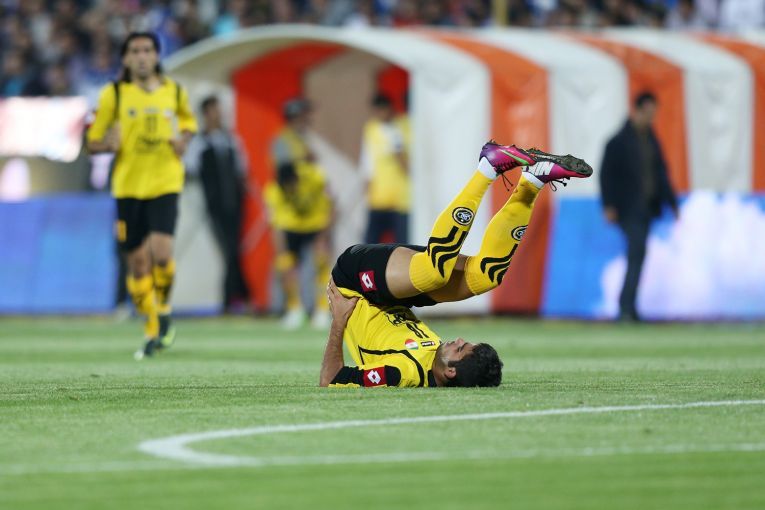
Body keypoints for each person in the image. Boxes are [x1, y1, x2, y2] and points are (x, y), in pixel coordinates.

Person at [319, 141, 592, 388]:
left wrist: (338, 322)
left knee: (435, 273)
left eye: (460, 349)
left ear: (450, 372)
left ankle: (487, 168)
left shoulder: (402, 373)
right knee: (487, 276)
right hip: (396, 292)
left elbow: (330, 380)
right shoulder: (437, 359)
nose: (459, 340)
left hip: (354, 283)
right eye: (465, 343)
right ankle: (532, 181)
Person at [87, 32, 197, 358]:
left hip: (165, 182)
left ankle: (162, 312)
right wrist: (107, 144)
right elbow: (92, 142)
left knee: (162, 253)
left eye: (147, 50)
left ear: (156, 55)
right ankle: (152, 326)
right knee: (137, 264)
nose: (142, 56)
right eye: (135, 51)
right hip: (128, 187)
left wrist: (183, 141)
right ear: (125, 58)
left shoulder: (174, 91)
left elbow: (189, 124)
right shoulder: (114, 95)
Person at [600, 92, 678, 322]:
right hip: (627, 209)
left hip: (646, 209)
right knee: (636, 253)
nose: (651, 118)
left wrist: (672, 202)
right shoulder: (617, 142)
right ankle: (625, 307)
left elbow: (661, 174)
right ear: (637, 111)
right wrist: (608, 205)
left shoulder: (652, 141)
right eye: (648, 113)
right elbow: (606, 176)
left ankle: (630, 307)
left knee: (638, 255)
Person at [265, 98, 334, 330]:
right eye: (303, 115)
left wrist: (326, 223)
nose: (307, 119)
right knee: (285, 261)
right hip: (290, 217)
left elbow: (325, 193)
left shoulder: (310, 159)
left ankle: (322, 309)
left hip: (313, 215)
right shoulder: (283, 142)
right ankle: (294, 308)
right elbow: (283, 174)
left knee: (321, 259)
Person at [185, 95, 250, 312]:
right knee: (230, 249)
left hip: (235, 203)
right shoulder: (199, 142)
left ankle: (235, 298)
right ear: (205, 114)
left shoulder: (230, 139)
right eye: (214, 110)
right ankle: (237, 297)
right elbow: (189, 170)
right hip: (215, 206)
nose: (219, 115)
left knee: (234, 248)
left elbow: (241, 169)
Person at [361, 93, 411, 244]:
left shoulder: (404, 125)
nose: (381, 114)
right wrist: (367, 186)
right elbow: (367, 160)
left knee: (401, 243)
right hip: (379, 197)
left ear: (391, 108)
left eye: (383, 110)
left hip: (402, 198)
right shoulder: (371, 129)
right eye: (377, 111)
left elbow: (408, 164)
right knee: (371, 242)